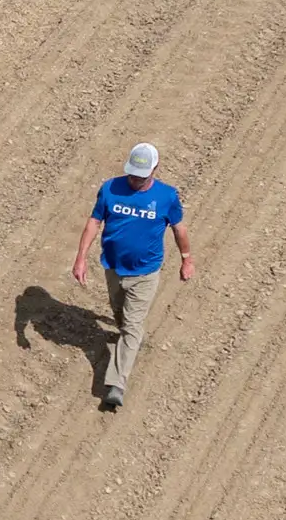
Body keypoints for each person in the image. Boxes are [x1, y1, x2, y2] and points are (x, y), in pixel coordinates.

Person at [69, 142, 194, 410]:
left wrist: (186, 260)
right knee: (120, 315)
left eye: (142, 176)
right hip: (113, 267)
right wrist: (80, 257)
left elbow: (179, 231)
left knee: (132, 326)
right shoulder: (110, 188)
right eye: (133, 175)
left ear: (155, 170)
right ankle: (127, 336)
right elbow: (94, 222)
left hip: (146, 272)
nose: (135, 180)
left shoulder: (167, 197)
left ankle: (116, 383)